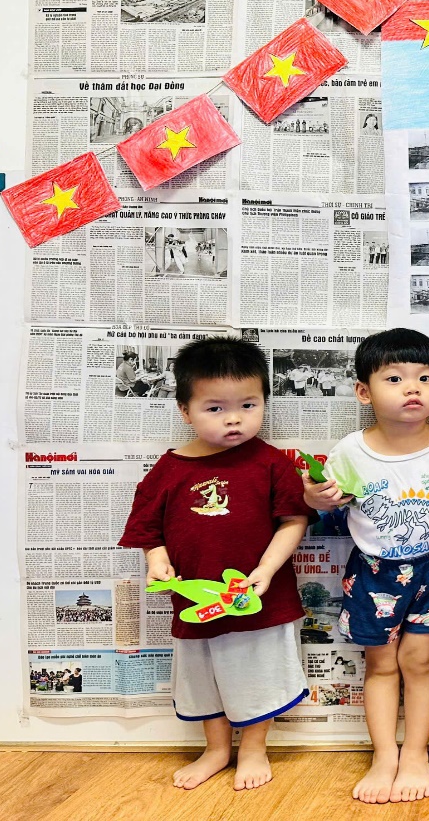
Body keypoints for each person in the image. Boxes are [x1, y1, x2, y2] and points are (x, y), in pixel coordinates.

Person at [119, 336, 311, 791]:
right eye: (215, 408)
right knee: (201, 677)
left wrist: (265, 571)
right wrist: (158, 561)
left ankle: (254, 748)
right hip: (196, 601)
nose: (234, 419)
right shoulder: (169, 469)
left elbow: (293, 520)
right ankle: (217, 749)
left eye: (248, 405)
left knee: (258, 674)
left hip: (257, 598)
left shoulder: (272, 464)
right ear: (185, 410)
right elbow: (149, 530)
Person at [301, 329, 429, 804]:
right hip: (372, 570)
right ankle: (384, 755)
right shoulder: (350, 451)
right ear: (364, 391)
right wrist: (314, 496)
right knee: (379, 665)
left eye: (425, 378)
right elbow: (322, 501)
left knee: (420, 662)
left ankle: (416, 753)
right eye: (394, 378)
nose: (412, 388)